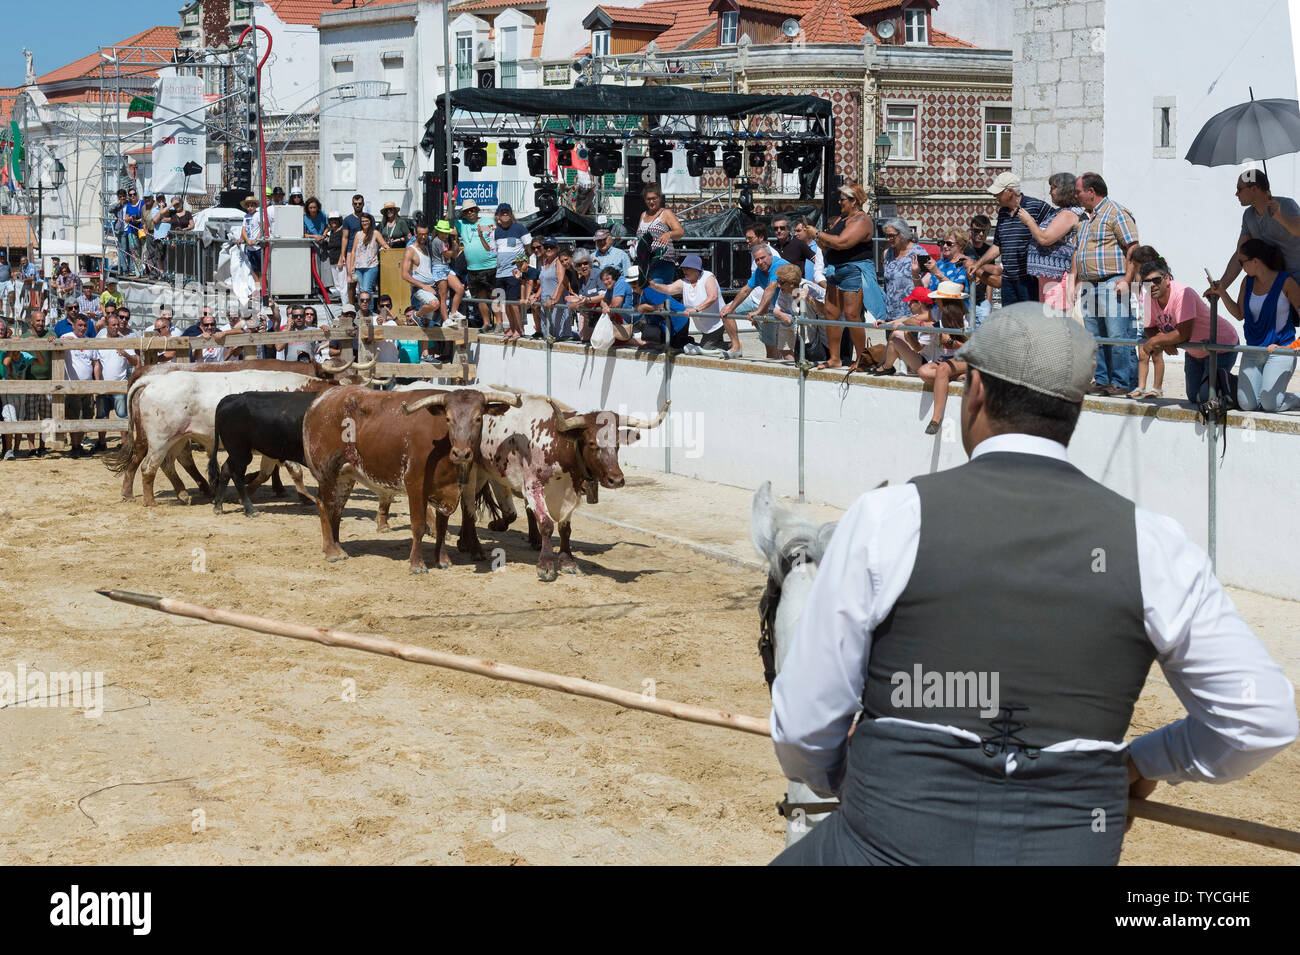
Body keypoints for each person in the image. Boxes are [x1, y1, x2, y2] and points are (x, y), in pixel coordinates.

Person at [770, 305, 1298, 866]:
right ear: (1074, 412)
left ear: (973, 393)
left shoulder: (885, 518)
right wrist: (1145, 759)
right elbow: (1261, 719)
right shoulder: (1154, 543)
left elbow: (803, 726)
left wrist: (845, 779)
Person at [1206, 238, 1300, 412]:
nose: (1240, 267)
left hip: (1281, 350)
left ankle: (1296, 399)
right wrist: (1221, 292)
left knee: (1270, 404)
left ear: (1255, 261)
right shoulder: (1247, 282)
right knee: (1247, 404)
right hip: (1254, 349)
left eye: (1242, 262)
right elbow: (1239, 314)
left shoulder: (1286, 282)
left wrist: (1292, 347)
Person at [1071, 172, 1140, 396]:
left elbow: (1133, 248)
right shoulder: (1083, 218)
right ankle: (1102, 379)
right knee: (1095, 336)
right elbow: (1078, 252)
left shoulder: (1116, 213)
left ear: (1091, 192)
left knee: (1117, 335)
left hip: (1112, 281)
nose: (1076, 195)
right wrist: (1076, 280)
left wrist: (1127, 279)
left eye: (1078, 191)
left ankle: (1121, 382)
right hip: (1089, 284)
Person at [1136, 258, 1239, 402]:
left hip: (1220, 346)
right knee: (1193, 396)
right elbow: (1149, 327)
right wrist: (1164, 342)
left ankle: (1240, 390)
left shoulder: (1184, 293)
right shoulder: (1147, 297)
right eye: (1146, 283)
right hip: (1194, 350)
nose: (1151, 285)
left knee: (1206, 397)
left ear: (1166, 278)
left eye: (1156, 280)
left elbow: (1183, 334)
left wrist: (1157, 340)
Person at [809, 183, 888, 371]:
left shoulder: (862, 220)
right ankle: (835, 358)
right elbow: (829, 244)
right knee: (831, 313)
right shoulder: (841, 220)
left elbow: (843, 242)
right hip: (835, 270)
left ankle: (862, 359)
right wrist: (817, 238)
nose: (839, 202)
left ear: (854, 201)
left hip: (853, 269)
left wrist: (818, 234)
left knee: (853, 315)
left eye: (842, 199)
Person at [977, 171, 1052, 305]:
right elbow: (997, 246)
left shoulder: (1036, 207)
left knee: (1029, 321)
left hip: (1030, 280)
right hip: (1008, 281)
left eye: (999, 193)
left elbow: (1055, 232)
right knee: (1011, 322)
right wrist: (978, 264)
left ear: (1010, 192)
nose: (995, 196)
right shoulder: (1003, 212)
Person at [1218, 169, 1300, 288]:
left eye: (1239, 189)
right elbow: (1240, 254)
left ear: (1254, 189)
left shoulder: (1286, 204)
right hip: (1276, 286)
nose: (1236, 194)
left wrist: (1279, 216)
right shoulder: (1248, 215)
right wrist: (1221, 287)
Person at [1017, 171, 1085, 310]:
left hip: (1059, 279)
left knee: (1056, 323)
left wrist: (1029, 221)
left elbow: (1044, 238)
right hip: (1050, 279)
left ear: (1064, 190)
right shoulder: (1060, 212)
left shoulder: (1069, 214)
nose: (1050, 192)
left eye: (1053, 188)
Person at [720, 244, 791, 360]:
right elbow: (745, 290)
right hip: (771, 308)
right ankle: (736, 347)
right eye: (757, 260)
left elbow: (771, 288)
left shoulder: (779, 265)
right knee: (725, 312)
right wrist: (731, 308)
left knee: (787, 352)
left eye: (762, 258)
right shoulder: (759, 271)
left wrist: (757, 312)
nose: (760, 262)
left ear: (770, 255)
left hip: (789, 310)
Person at [651, 253, 728, 354]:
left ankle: (731, 346)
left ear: (696, 269)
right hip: (705, 326)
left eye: (687, 268)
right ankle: (724, 344)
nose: (684, 271)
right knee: (707, 345)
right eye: (683, 268)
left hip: (716, 324)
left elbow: (713, 297)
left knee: (706, 349)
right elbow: (668, 289)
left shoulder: (708, 276)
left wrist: (696, 309)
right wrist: (652, 284)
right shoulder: (684, 282)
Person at [757, 262, 829, 362]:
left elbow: (825, 311)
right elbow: (776, 310)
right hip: (807, 336)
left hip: (825, 335)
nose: (778, 285)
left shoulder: (806, 287)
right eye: (777, 281)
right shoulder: (785, 290)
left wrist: (808, 298)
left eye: (781, 282)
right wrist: (782, 315)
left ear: (791, 282)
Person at [92, 309, 139, 452]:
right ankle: (101, 443)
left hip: (120, 384)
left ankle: (124, 444)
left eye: (117, 325)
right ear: (107, 326)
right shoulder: (100, 340)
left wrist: (125, 353)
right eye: (113, 325)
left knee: (122, 416)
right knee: (101, 415)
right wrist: (98, 383)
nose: (116, 327)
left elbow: (135, 361)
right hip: (104, 385)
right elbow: (96, 362)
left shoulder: (125, 341)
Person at [455, 199, 498, 330]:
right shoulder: (462, 224)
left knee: (495, 296)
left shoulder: (488, 221)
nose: (470, 213)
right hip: (473, 268)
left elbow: (494, 235)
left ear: (477, 210)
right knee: (481, 298)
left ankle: (500, 323)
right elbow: (448, 220)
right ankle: (487, 323)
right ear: (464, 213)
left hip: (491, 265)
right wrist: (452, 205)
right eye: (467, 211)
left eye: (472, 209)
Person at [492, 204, 532, 342]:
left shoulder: (519, 228)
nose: (505, 214)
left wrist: (524, 264)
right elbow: (493, 249)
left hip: (514, 271)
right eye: (502, 213)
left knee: (513, 303)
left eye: (507, 212)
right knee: (505, 303)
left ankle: (518, 330)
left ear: (511, 213)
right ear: (498, 216)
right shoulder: (496, 231)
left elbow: (529, 248)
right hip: (500, 272)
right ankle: (510, 329)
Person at [18, 309, 54, 456]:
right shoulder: (24, 336)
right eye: (38, 321)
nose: (40, 323)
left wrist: (54, 340)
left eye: (42, 321)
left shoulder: (50, 335)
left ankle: (43, 446)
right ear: (31, 322)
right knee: (31, 415)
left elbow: (59, 343)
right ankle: (32, 446)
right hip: (31, 382)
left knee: (46, 416)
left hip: (47, 382)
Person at [60, 313, 97, 457]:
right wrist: (65, 342)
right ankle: (75, 446)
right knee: (75, 416)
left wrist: (97, 384)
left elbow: (95, 363)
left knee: (86, 416)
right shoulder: (66, 337)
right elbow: (56, 345)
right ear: (74, 325)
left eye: (84, 325)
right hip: (72, 386)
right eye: (80, 325)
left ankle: (78, 445)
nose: (82, 328)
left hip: (87, 386)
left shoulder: (89, 341)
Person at [631, 266, 690, 351]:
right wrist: (642, 307)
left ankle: (690, 344)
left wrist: (645, 307)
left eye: (634, 284)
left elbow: (662, 306)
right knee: (669, 346)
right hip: (666, 323)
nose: (632, 287)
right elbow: (636, 306)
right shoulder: (636, 293)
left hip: (678, 321)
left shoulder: (649, 289)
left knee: (678, 347)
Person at [879, 217, 924, 323]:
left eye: (892, 236)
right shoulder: (887, 253)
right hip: (891, 313)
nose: (888, 239)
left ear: (902, 233)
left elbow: (927, 283)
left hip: (911, 315)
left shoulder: (919, 252)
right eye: (887, 236)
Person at [635, 184, 684, 282]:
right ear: (645, 200)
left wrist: (668, 234)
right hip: (645, 262)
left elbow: (680, 232)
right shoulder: (643, 215)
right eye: (648, 199)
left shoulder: (666, 213)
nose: (651, 201)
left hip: (662, 261)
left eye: (654, 198)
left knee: (655, 291)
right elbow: (639, 236)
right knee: (644, 292)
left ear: (659, 198)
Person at [963, 215, 1000, 326]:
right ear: (970, 230)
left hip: (981, 301)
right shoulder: (963, 248)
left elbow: (990, 278)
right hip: (964, 299)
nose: (981, 234)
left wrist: (988, 301)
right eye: (977, 231)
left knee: (983, 335)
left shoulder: (989, 251)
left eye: (985, 231)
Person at [402, 223, 441, 321]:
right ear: (415, 233)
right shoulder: (410, 250)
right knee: (434, 304)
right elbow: (405, 275)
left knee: (427, 324)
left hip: (431, 287)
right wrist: (424, 286)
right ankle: (416, 315)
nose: (423, 237)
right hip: (420, 289)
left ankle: (419, 317)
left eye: (425, 234)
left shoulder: (426, 248)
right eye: (420, 234)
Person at [534, 237, 571, 340]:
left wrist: (554, 298)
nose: (548, 249)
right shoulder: (545, 262)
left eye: (551, 247)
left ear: (557, 248)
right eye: (546, 247)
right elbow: (543, 283)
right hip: (545, 303)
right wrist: (536, 296)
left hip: (556, 303)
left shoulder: (558, 262)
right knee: (548, 335)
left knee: (559, 335)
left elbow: (561, 282)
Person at [565, 250, 605, 342]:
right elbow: (582, 297)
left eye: (585, 263)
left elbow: (604, 295)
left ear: (590, 263)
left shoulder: (598, 274)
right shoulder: (582, 279)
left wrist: (588, 300)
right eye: (579, 265)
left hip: (600, 315)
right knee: (584, 339)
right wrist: (575, 302)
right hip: (588, 315)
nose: (583, 266)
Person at [347, 211, 387, 299]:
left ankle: (370, 310)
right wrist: (351, 266)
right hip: (358, 267)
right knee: (361, 291)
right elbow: (353, 251)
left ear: (370, 222)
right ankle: (364, 311)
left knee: (367, 289)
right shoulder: (358, 234)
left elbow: (385, 245)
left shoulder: (375, 233)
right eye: (363, 221)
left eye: (366, 221)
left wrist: (386, 251)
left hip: (371, 266)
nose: (364, 223)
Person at [339, 193, 367, 305]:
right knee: (352, 282)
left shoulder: (368, 218)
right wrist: (342, 255)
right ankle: (351, 307)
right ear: (352, 204)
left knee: (365, 284)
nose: (358, 205)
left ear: (363, 204)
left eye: (360, 203)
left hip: (366, 253)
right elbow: (345, 238)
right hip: (351, 252)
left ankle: (363, 307)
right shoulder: (347, 220)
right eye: (355, 204)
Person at [789, 216, 827, 287]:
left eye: (798, 231)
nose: (795, 234)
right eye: (795, 231)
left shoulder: (819, 247)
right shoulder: (794, 247)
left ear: (808, 230)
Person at [239, 195, 265, 282]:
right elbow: (244, 229)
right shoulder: (245, 216)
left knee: (262, 270)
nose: (250, 208)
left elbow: (263, 228)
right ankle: (257, 289)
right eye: (248, 206)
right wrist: (246, 240)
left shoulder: (258, 214)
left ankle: (264, 289)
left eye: (252, 206)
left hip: (257, 247)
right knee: (254, 269)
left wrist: (256, 240)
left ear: (255, 206)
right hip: (249, 247)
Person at [324, 211, 348, 304]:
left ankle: (346, 306)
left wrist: (340, 260)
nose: (333, 222)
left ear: (339, 220)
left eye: (335, 220)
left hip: (340, 261)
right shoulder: (332, 232)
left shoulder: (342, 231)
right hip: (332, 261)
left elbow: (343, 246)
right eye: (331, 220)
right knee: (337, 286)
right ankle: (343, 304)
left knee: (343, 286)